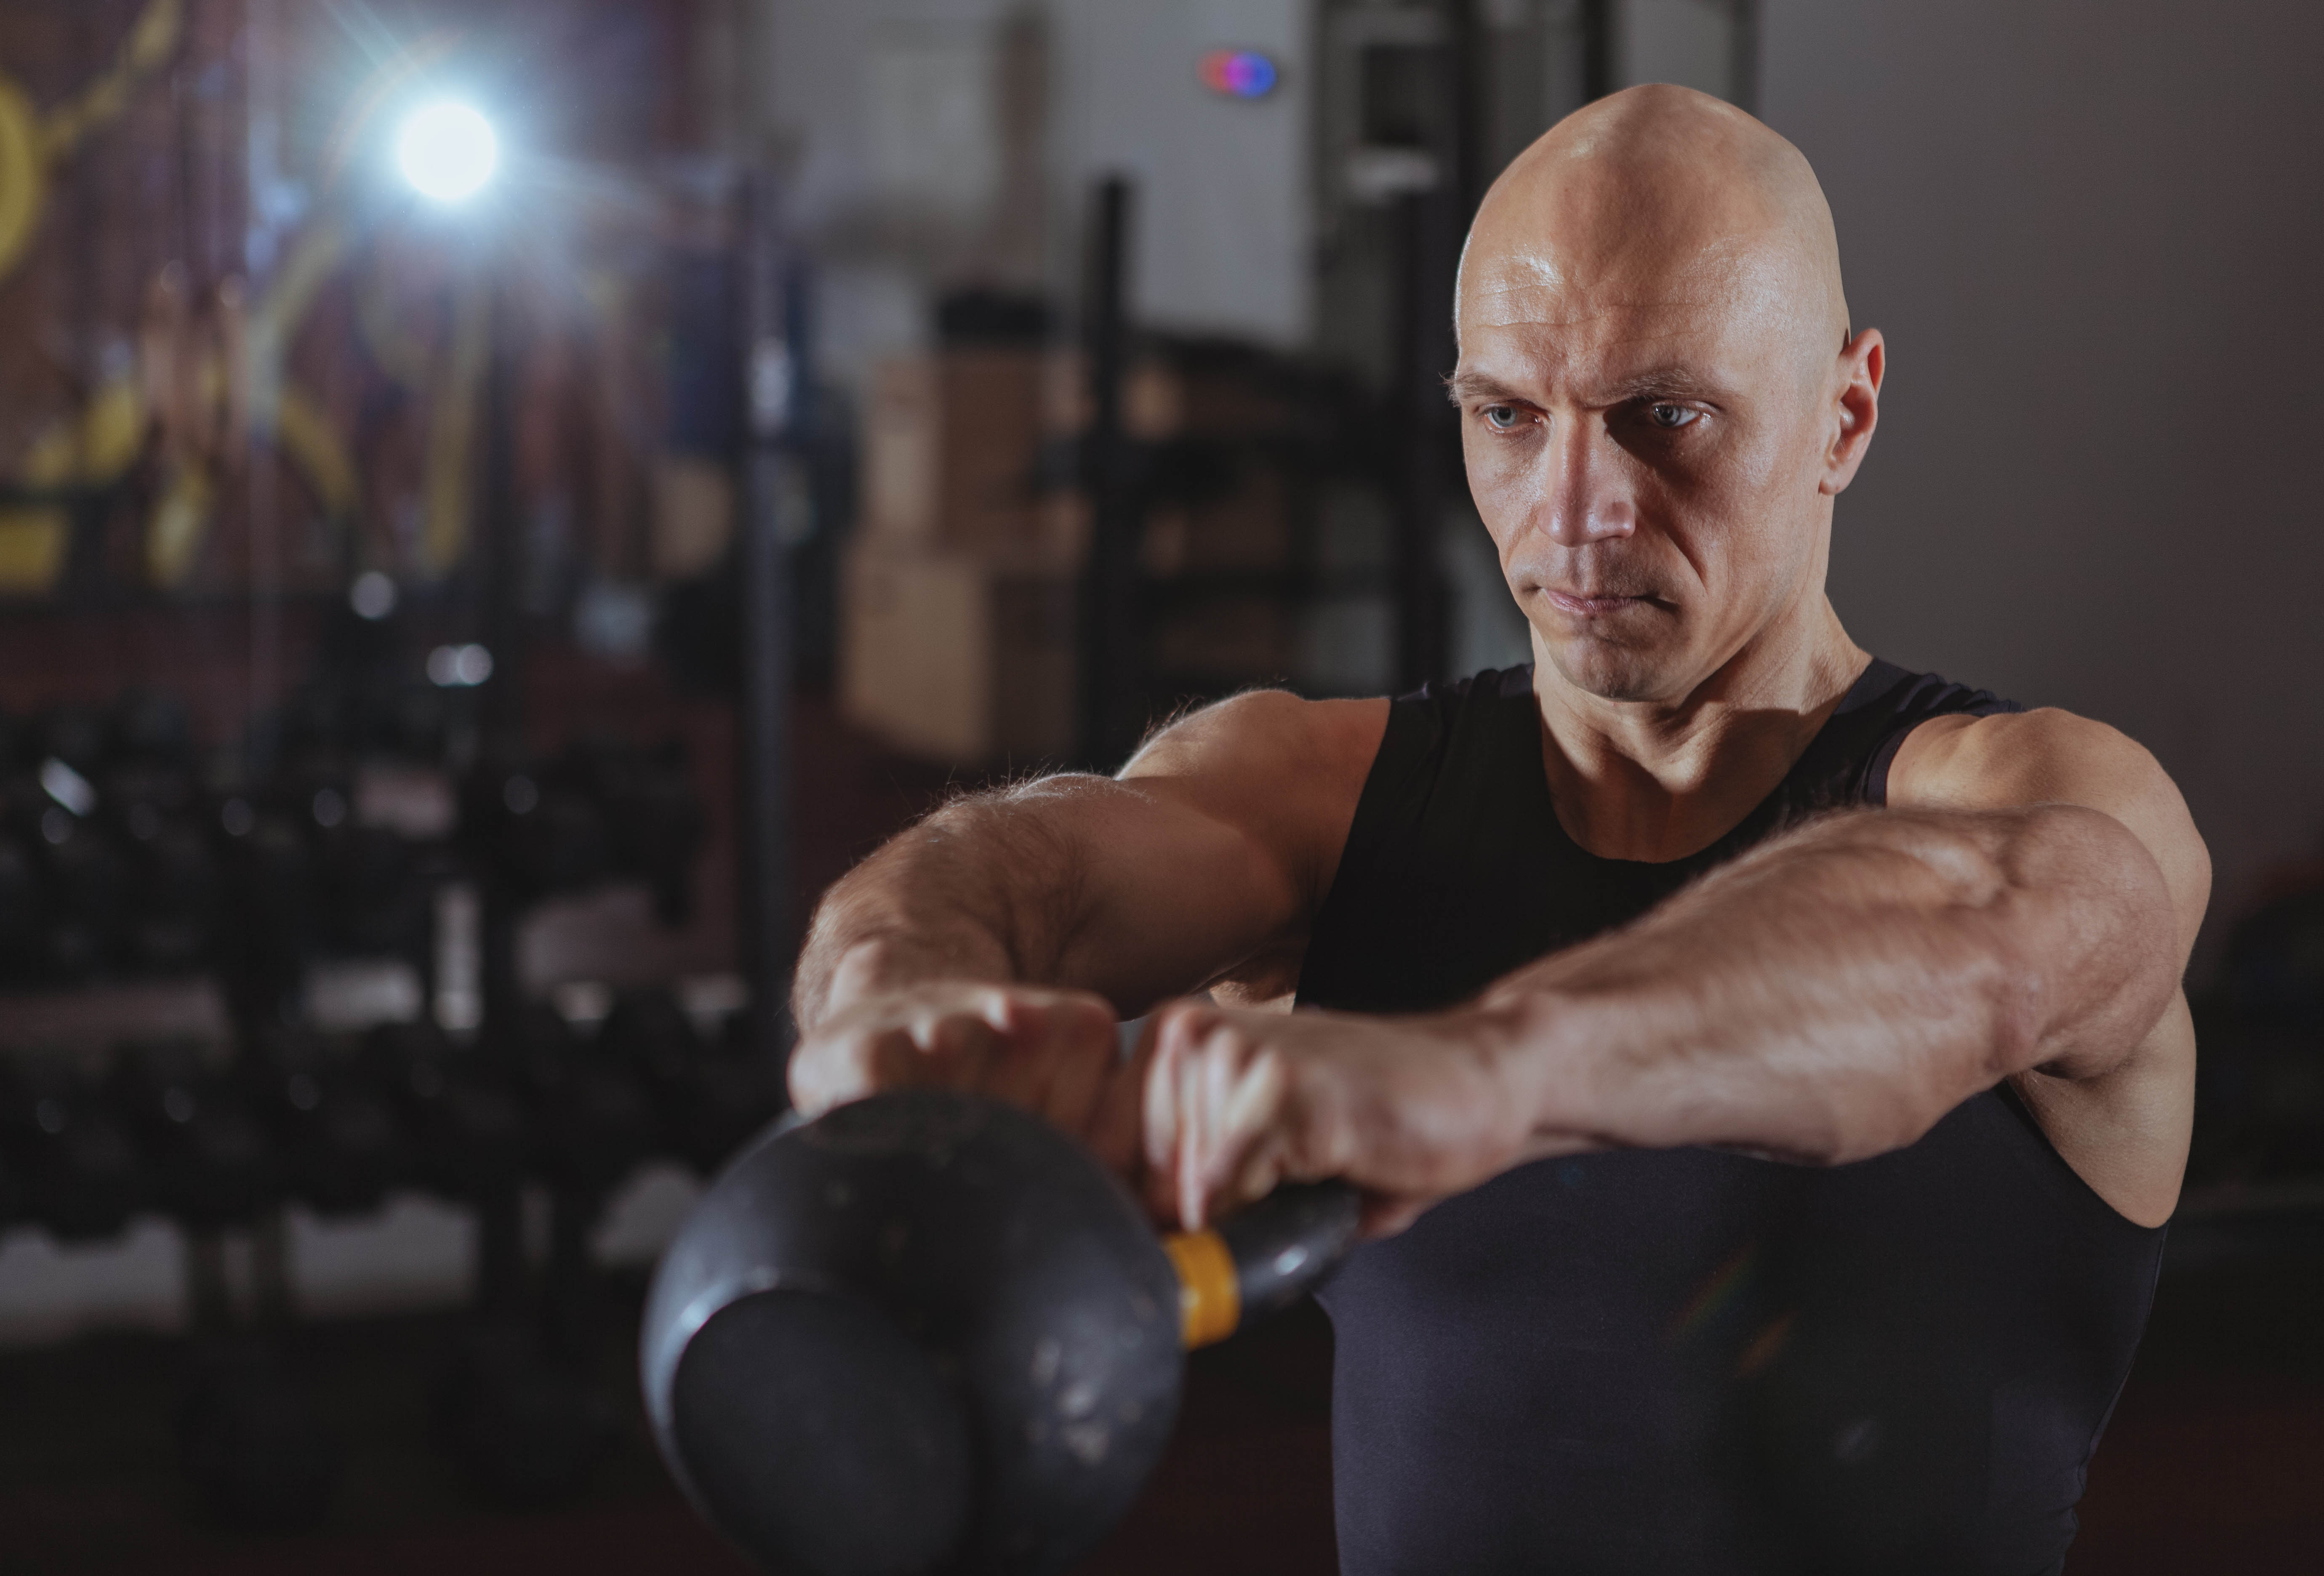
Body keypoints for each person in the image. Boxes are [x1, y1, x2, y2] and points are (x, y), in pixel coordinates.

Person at [789, 84, 2206, 1575]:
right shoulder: (1321, 801)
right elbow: (1033, 869)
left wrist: (1480, 1074)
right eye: (1509, 418)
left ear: (1843, 415)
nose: (1574, 509)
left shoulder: (2044, 800)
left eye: (1667, 417)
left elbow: (1972, 944)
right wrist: (902, 990)